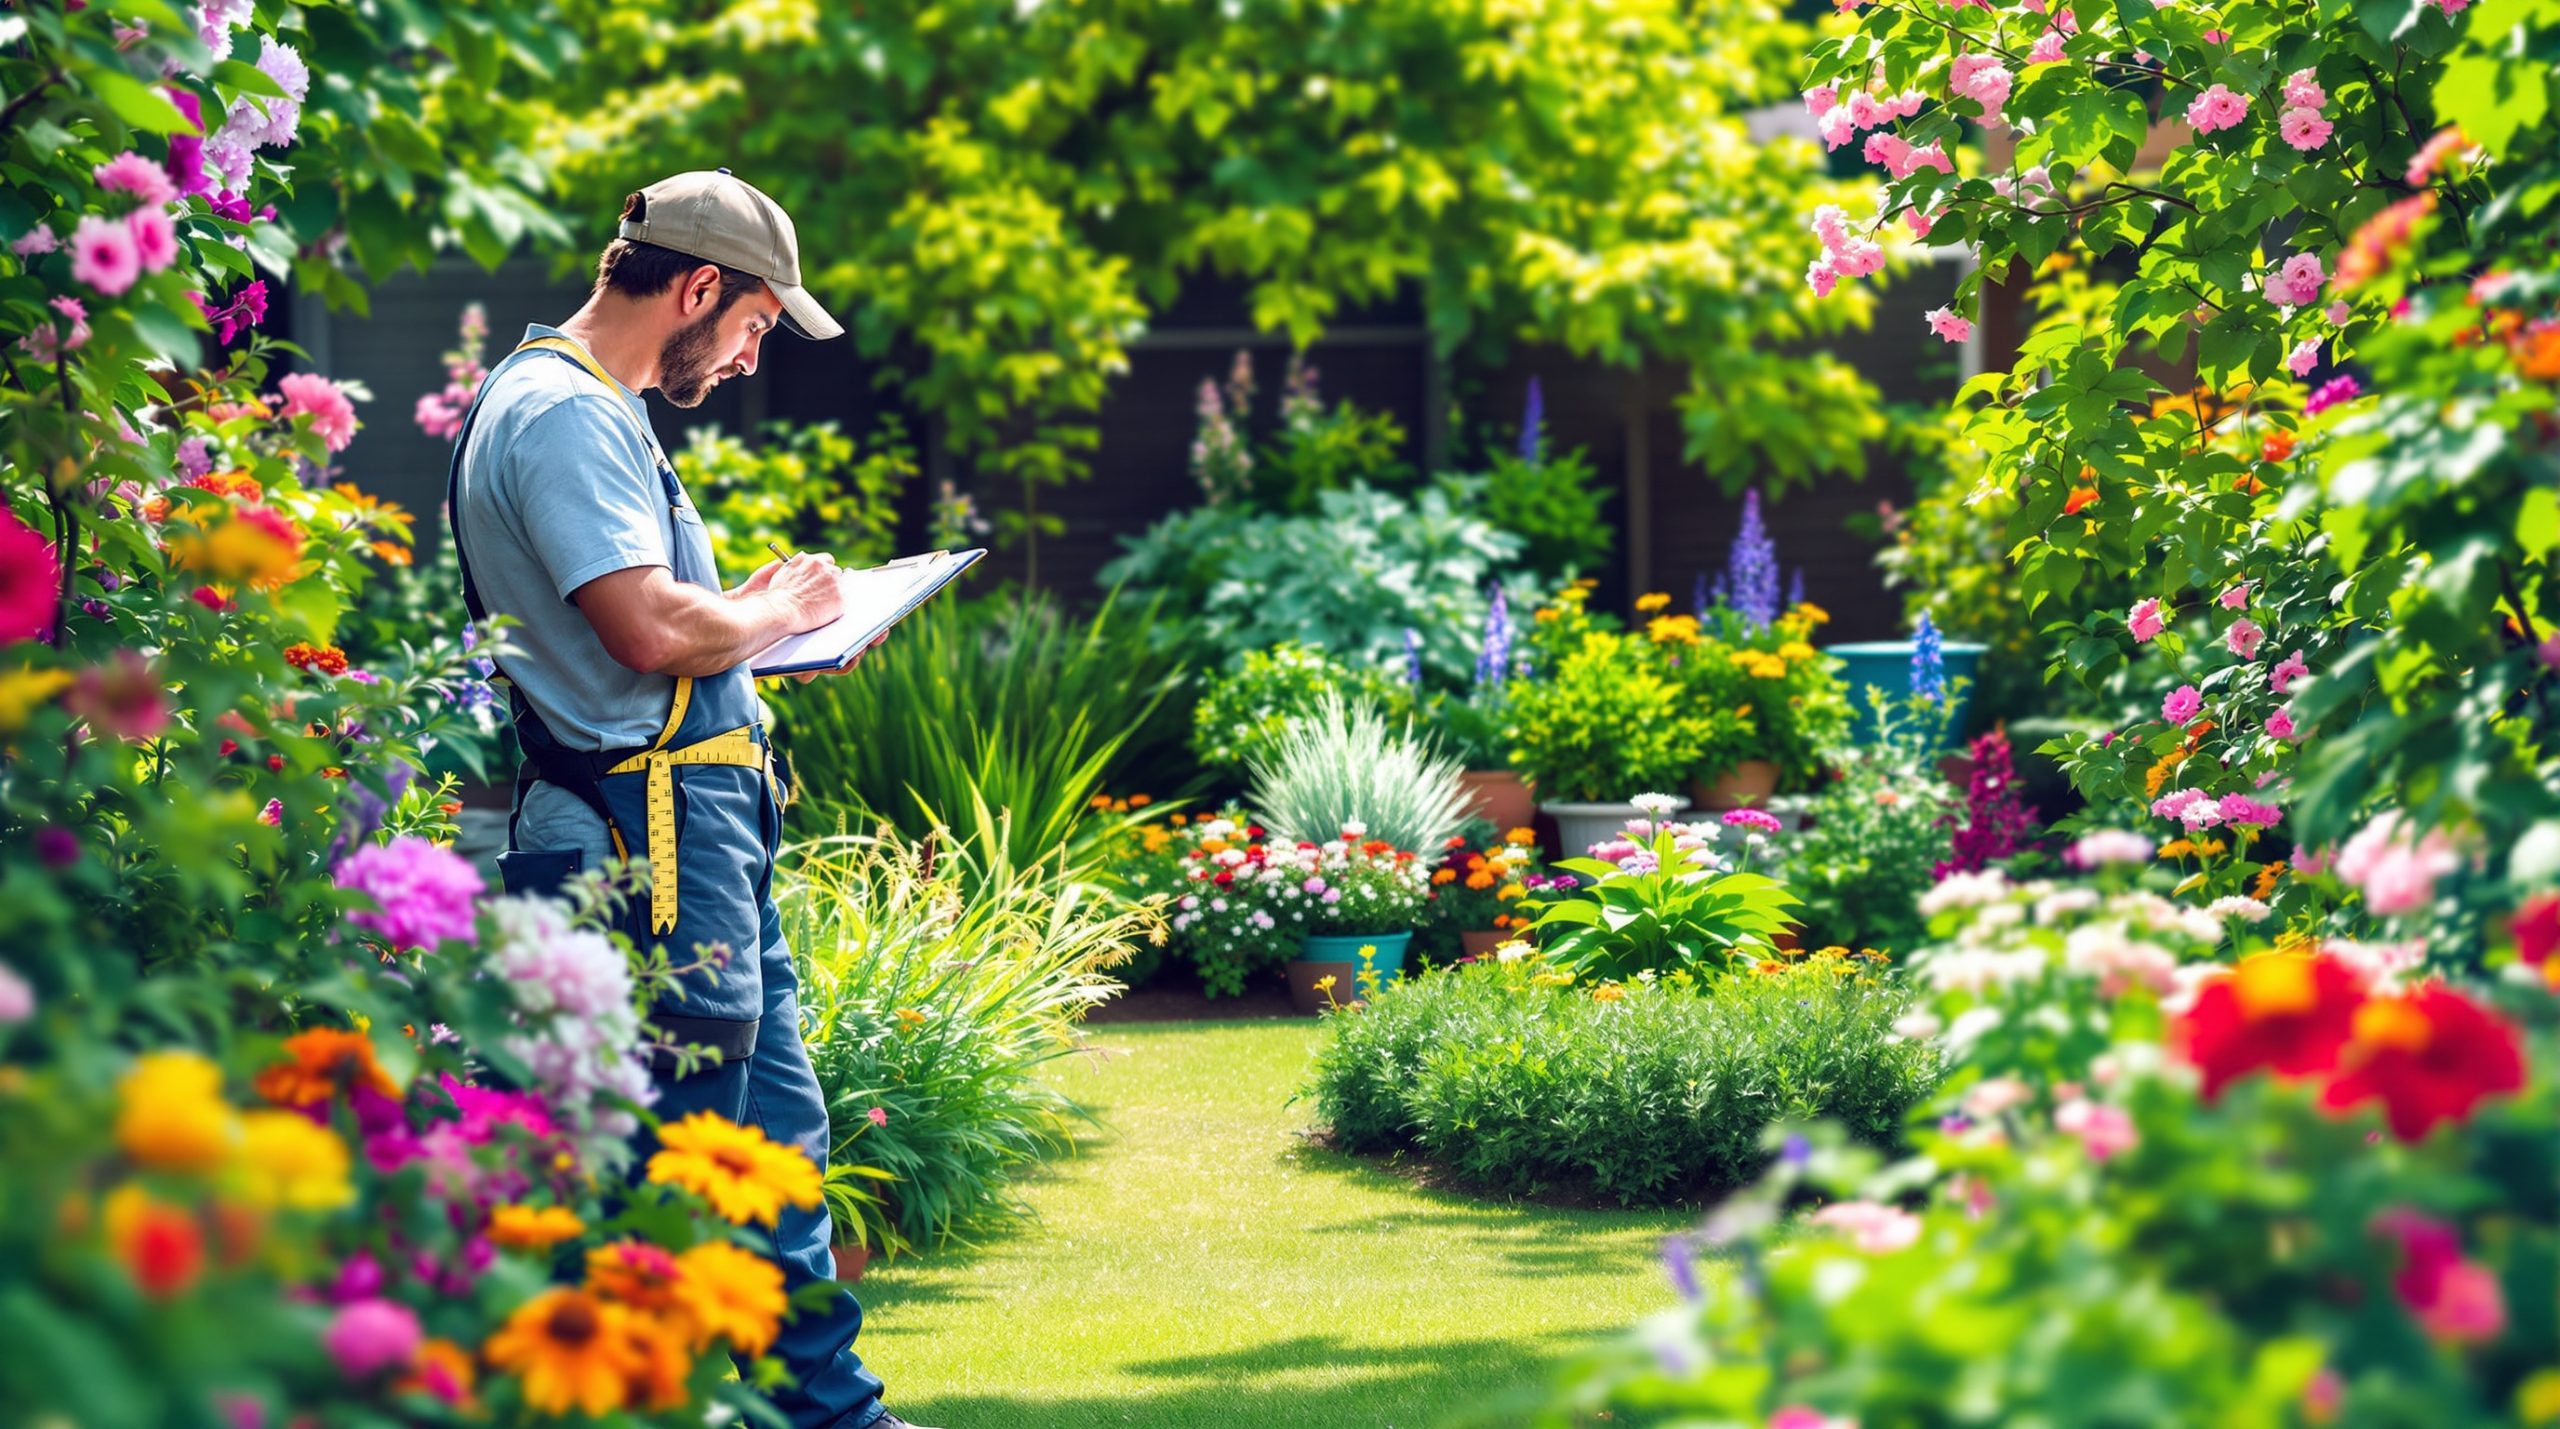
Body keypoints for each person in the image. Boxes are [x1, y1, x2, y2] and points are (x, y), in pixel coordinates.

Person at [446, 169, 931, 1429]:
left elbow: (659, 624)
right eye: (758, 323)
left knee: (768, 1149)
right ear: (699, 286)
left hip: (687, 833)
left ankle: (829, 1417)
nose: (753, 353)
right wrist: (782, 610)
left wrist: (763, 625)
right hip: (642, 841)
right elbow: (646, 629)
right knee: (662, 1168)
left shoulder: (587, 403)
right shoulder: (562, 412)